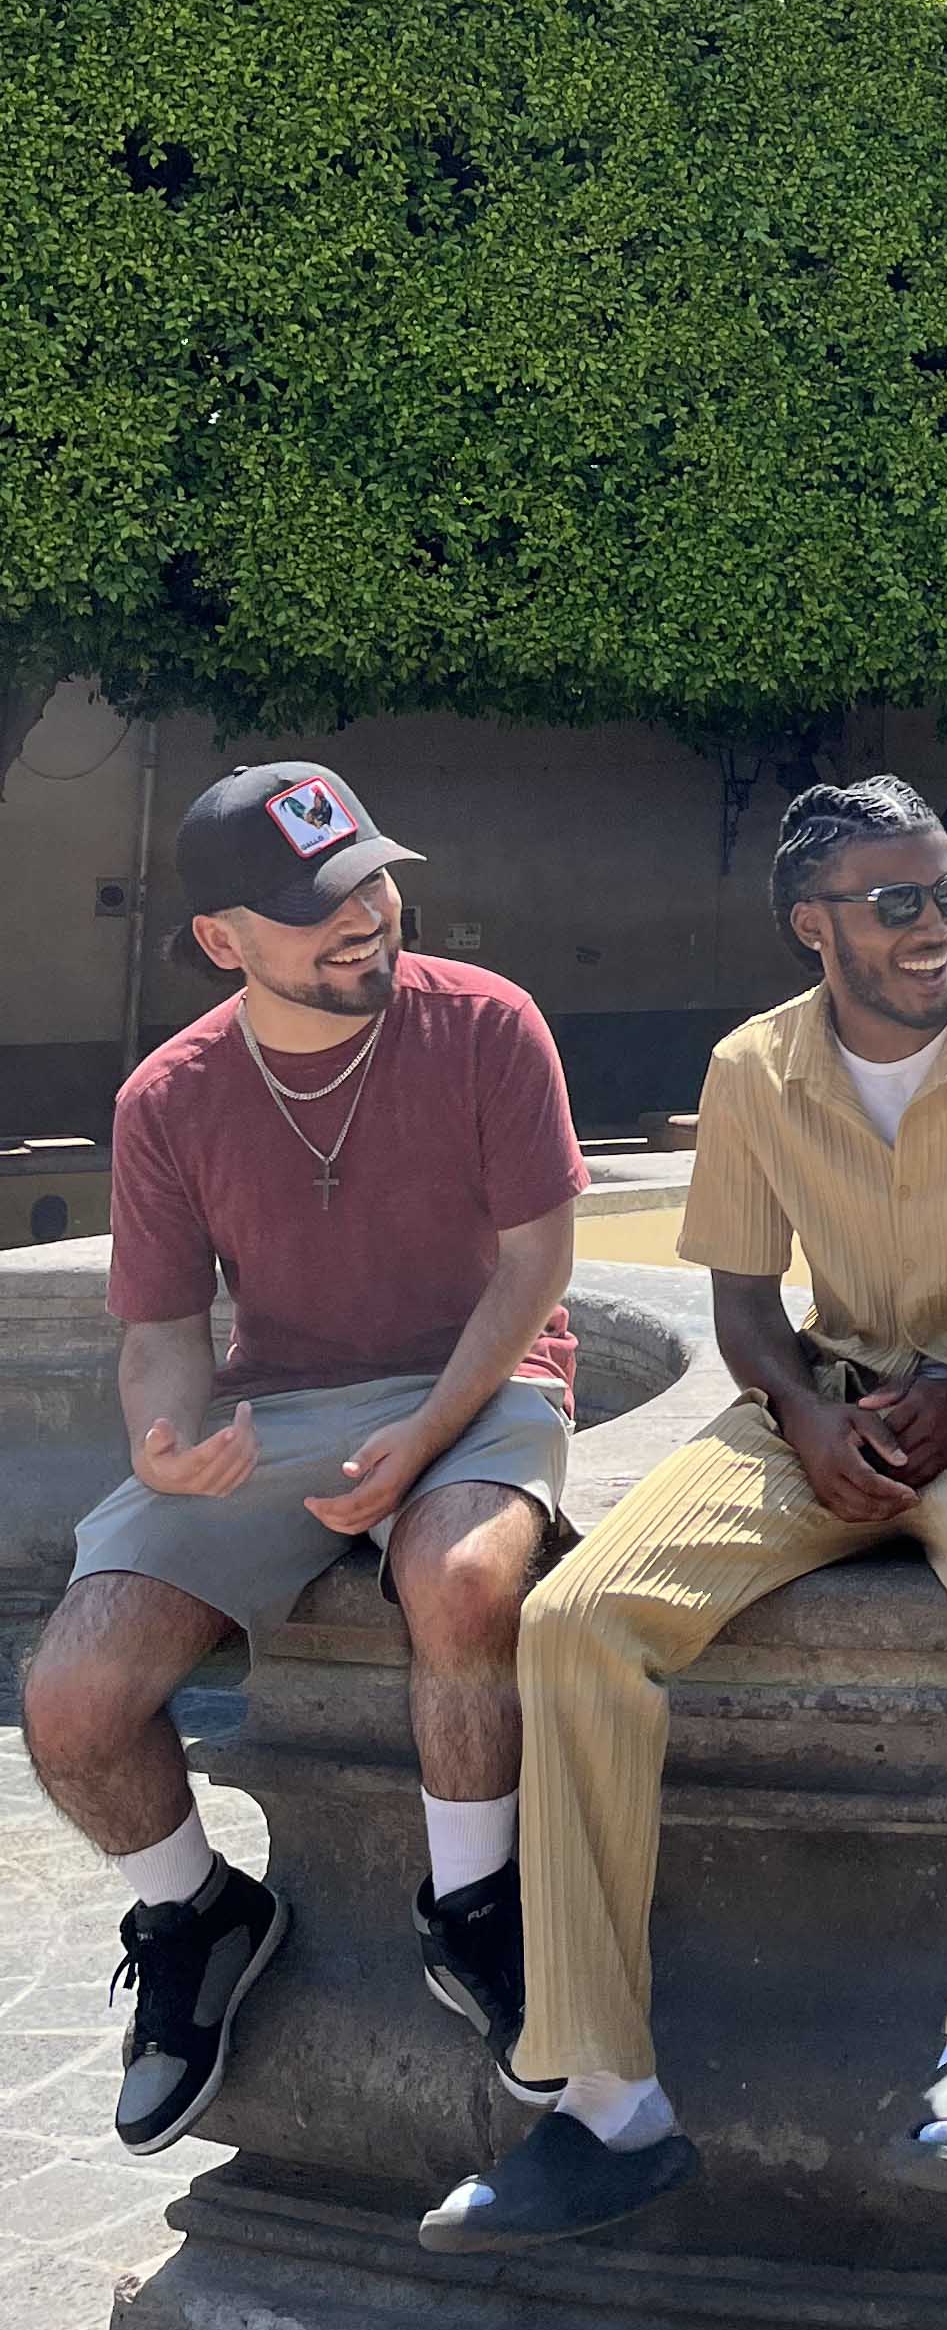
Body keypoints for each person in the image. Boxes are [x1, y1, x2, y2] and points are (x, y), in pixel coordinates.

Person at [422, 776, 947, 2251]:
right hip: (820, 1402)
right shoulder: (754, 1067)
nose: (936, 925)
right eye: (898, 903)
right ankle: (609, 2105)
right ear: (811, 925)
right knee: (574, 1617)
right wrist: (807, 1417)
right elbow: (745, 1309)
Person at [22, 762, 585, 2152]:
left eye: (369, 879)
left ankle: (474, 1908)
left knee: (460, 1578)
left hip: (488, 1376)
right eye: (313, 903)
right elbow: (158, 1328)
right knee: (74, 1696)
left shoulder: (486, 1023)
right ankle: (195, 1913)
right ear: (222, 940)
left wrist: (431, 1437)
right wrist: (163, 1444)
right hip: (280, 1411)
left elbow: (536, 1274)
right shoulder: (170, 1097)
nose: (363, 917)